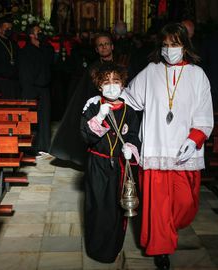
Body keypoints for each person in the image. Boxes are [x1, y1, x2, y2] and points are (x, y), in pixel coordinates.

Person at [121, 23, 213, 269]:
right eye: (166, 45)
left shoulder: (197, 75)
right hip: (156, 149)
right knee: (158, 206)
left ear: (185, 45)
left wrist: (194, 140)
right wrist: (106, 97)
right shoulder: (151, 71)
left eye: (175, 44)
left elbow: (205, 115)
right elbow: (128, 98)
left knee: (185, 203)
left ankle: (167, 229)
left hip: (184, 151)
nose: (170, 49)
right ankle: (160, 247)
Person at [80, 63, 140, 263]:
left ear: (123, 84)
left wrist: (130, 148)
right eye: (106, 82)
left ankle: (113, 248)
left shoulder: (129, 110)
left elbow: (133, 134)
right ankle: (96, 249)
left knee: (116, 209)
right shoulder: (92, 105)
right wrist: (99, 117)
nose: (112, 86)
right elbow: (86, 137)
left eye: (116, 81)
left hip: (120, 166)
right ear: (99, 86)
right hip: (98, 164)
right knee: (97, 207)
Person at [50, 33, 122, 166]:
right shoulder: (93, 68)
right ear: (96, 50)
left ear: (112, 46)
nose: (104, 47)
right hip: (99, 112)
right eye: (100, 45)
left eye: (106, 44)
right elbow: (85, 94)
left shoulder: (120, 65)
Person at [18, 24, 55, 155]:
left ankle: (44, 147)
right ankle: (31, 149)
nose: (41, 33)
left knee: (45, 119)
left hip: (45, 89)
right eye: (38, 32)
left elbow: (51, 61)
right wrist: (30, 93)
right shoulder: (26, 51)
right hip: (32, 90)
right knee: (33, 120)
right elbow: (25, 75)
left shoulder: (45, 49)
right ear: (31, 35)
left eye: (41, 31)